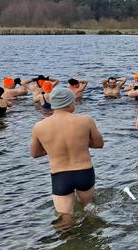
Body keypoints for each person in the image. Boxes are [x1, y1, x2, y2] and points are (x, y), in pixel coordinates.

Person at [29, 88, 104, 216]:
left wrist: (53, 148)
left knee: (66, 217)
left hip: (60, 176)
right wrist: (81, 144)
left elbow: (35, 153)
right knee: (89, 209)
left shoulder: (39, 126)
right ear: (70, 103)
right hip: (84, 172)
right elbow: (99, 144)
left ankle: (69, 235)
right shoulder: (86, 121)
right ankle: (92, 232)